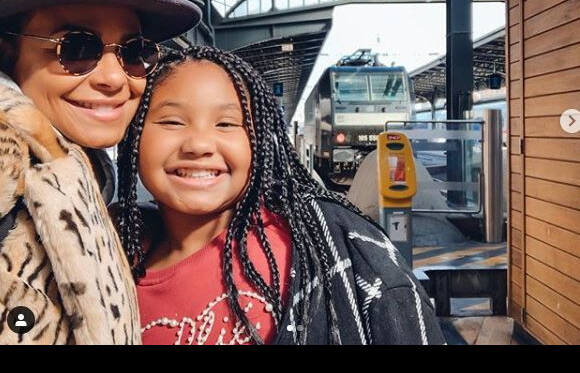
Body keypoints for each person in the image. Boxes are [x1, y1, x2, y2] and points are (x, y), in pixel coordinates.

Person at [115, 46, 445, 345]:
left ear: (259, 142)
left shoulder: (340, 250)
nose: (199, 145)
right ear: (133, 136)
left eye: (228, 124)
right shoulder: (104, 258)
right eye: (172, 121)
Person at [0, 0, 202, 345]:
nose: (114, 78)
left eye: (134, 51)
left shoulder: (74, 171)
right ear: (6, 51)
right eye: (75, 46)